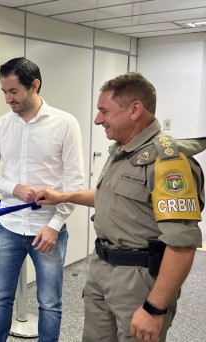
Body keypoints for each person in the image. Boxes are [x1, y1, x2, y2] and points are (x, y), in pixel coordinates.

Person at [36, 72, 205, 342]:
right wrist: (63, 197)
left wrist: (154, 307)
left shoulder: (168, 162)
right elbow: (111, 199)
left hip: (138, 281)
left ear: (135, 109)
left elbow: (182, 245)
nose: (97, 119)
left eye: (104, 111)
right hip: (102, 269)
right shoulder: (123, 151)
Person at [0, 57, 85, 341]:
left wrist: (54, 225)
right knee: (0, 299)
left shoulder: (65, 124)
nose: (7, 99)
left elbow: (75, 183)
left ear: (34, 85)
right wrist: (15, 188)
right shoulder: (1, 126)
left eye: (13, 91)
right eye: (3, 91)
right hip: (8, 226)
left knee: (50, 303)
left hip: (47, 230)